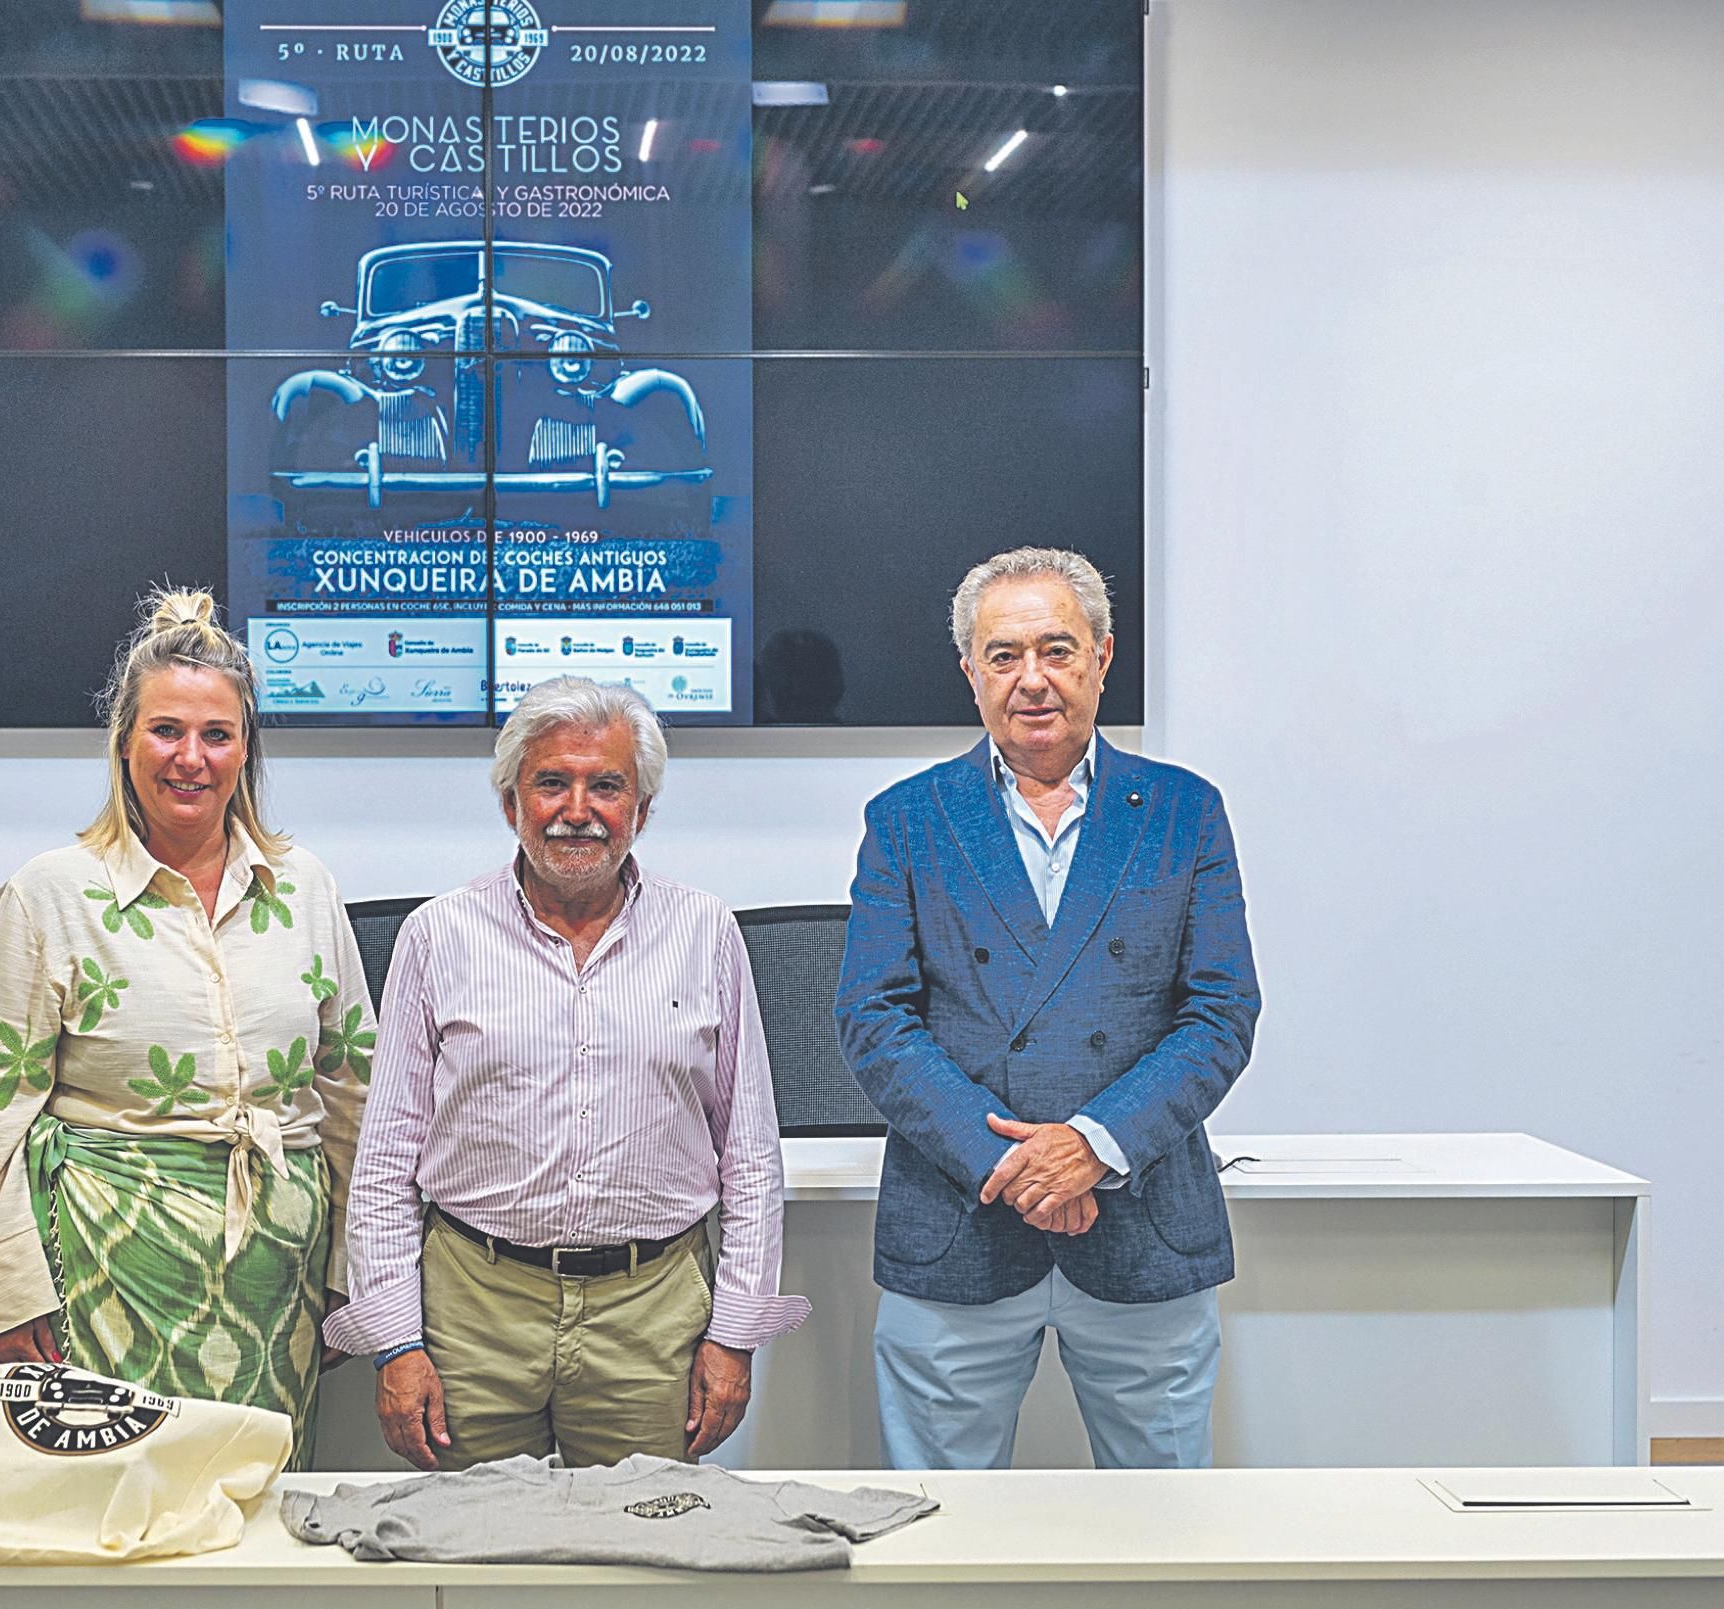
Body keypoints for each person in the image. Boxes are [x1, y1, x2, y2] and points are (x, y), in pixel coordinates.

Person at [0, 587, 376, 1468]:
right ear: (124, 742)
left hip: (273, 1285)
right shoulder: (50, 894)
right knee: (110, 1524)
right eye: (166, 730)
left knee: (251, 1527)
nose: (191, 758)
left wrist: (357, 1278)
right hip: (103, 1273)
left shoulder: (305, 888)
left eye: (217, 734)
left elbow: (354, 1097)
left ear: (246, 749)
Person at [835, 548, 1261, 1470]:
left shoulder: (1185, 812)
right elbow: (874, 1018)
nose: (1031, 679)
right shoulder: (907, 817)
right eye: (1003, 654)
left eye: (1057, 649)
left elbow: (1220, 1012)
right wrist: (1016, 1165)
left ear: (1103, 658)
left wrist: (1092, 1147)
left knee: (1161, 1530)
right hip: (957, 1226)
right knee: (944, 1536)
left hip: (1141, 1217)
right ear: (969, 672)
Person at [326, 676, 809, 1469]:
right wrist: (395, 1343)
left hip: (652, 1314)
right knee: (475, 1556)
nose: (576, 809)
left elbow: (749, 1156)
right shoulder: (436, 936)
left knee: (638, 1561)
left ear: (641, 810)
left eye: (606, 785)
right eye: (551, 782)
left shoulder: (705, 932)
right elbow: (383, 1162)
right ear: (511, 803)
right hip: (471, 1310)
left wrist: (733, 1333)